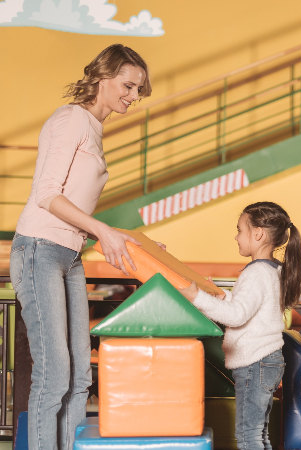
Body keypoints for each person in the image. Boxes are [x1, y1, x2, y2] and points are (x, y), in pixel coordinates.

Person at [9, 44, 151, 450]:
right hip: (39, 249)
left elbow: (74, 207)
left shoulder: (93, 126)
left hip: (68, 255)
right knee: (54, 375)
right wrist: (103, 231)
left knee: (79, 379)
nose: (134, 96)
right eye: (128, 85)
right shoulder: (72, 118)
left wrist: (130, 241)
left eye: (139, 89)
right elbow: (47, 196)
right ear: (103, 78)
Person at [179, 201, 301, 450]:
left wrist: (197, 298)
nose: (236, 237)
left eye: (239, 230)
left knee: (248, 436)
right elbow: (254, 306)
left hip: (254, 362)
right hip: (266, 360)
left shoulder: (256, 273)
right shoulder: (272, 270)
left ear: (257, 234)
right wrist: (223, 296)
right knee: (259, 433)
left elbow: (237, 316)